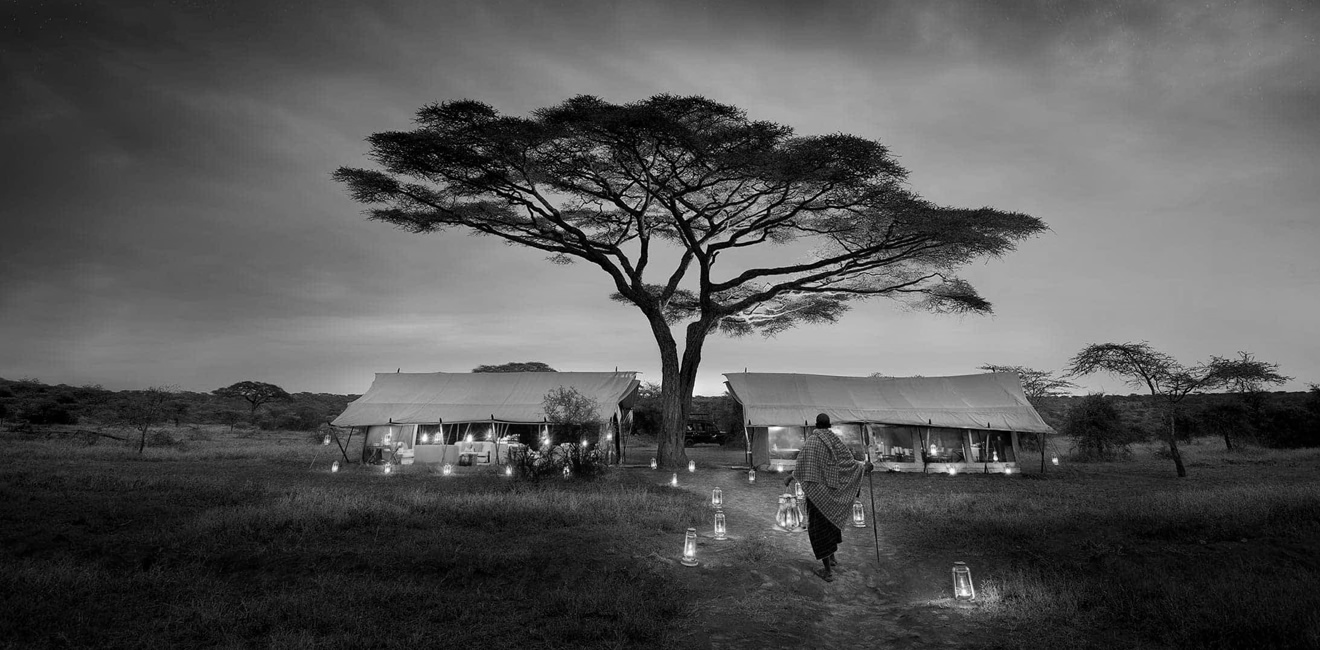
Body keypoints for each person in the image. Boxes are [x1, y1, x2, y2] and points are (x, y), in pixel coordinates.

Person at [786, 413, 872, 582]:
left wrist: (790, 477)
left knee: (819, 530)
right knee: (831, 525)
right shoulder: (837, 443)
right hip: (832, 496)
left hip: (818, 495)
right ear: (829, 425)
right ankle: (832, 559)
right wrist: (864, 468)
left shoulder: (812, 442)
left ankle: (827, 572)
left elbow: (803, 464)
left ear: (816, 425)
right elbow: (849, 464)